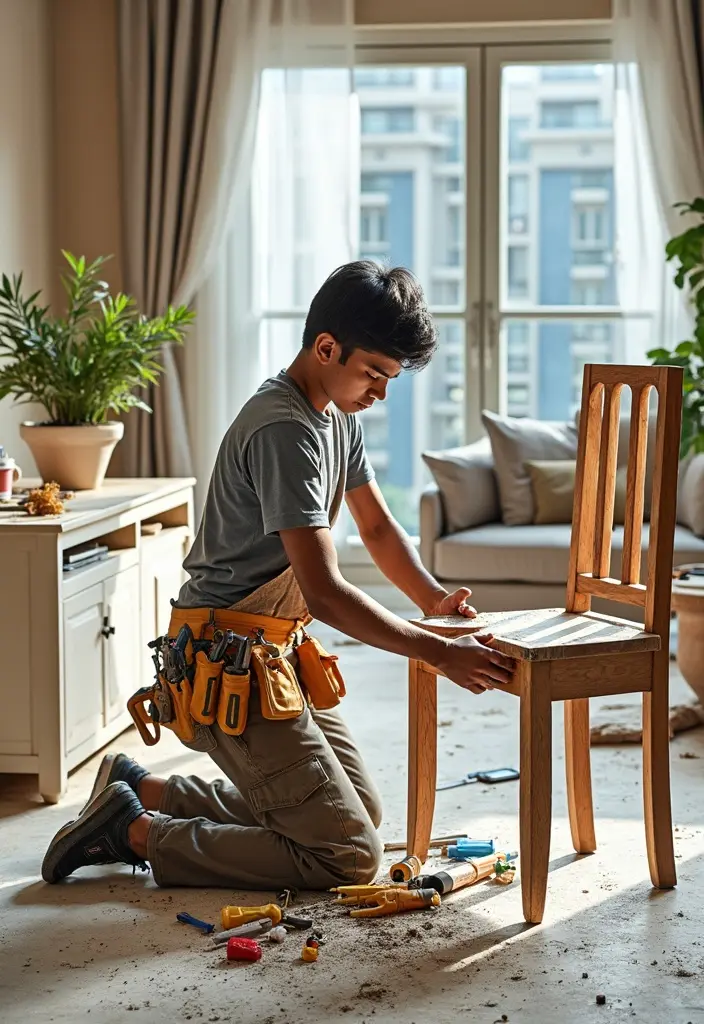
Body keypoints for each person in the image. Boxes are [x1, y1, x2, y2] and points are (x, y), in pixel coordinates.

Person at [42, 261, 514, 889]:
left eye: (390, 380)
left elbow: (376, 528)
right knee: (349, 857)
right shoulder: (285, 430)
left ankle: (142, 787)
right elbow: (323, 592)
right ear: (326, 348)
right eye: (373, 373)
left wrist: (434, 601)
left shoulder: (338, 416)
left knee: (361, 817)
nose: (379, 393)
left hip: (272, 655)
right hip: (224, 664)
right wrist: (432, 651)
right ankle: (132, 831)